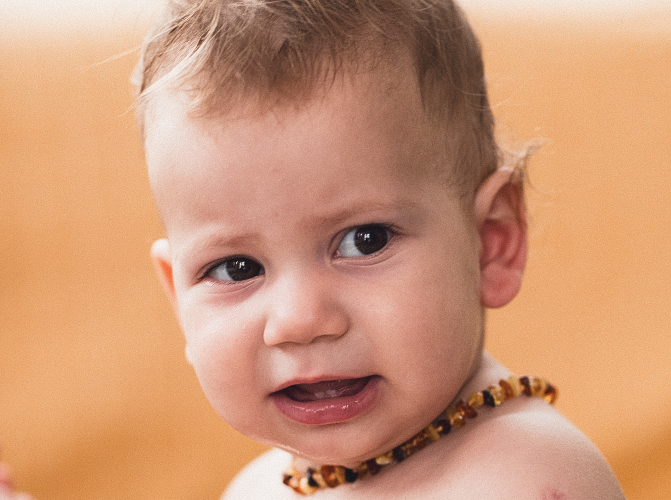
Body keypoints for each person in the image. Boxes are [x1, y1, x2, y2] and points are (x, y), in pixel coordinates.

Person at [133, 0, 626, 498]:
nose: (299, 320)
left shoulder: (523, 478)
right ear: (179, 298)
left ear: (489, 245)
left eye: (364, 241)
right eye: (236, 268)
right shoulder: (256, 489)